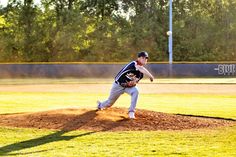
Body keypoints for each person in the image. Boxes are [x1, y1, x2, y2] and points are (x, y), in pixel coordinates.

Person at [97, 51, 154, 119]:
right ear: (138, 58)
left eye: (146, 58)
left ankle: (131, 112)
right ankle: (100, 105)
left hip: (127, 87)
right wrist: (150, 76)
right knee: (109, 103)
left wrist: (132, 83)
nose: (145, 59)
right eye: (143, 57)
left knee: (135, 91)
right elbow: (140, 68)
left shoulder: (141, 74)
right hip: (118, 86)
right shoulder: (133, 64)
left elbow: (135, 81)